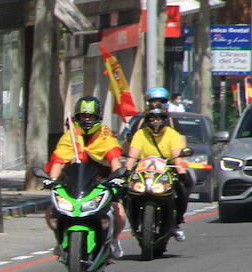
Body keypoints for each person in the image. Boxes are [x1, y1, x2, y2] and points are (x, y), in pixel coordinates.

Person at [45, 95, 127, 259]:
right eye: (83, 116)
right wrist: (51, 181)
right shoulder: (70, 136)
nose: (87, 120)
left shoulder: (105, 135)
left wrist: (118, 177)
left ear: (98, 118)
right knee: (51, 212)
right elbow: (59, 161)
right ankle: (60, 239)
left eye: (91, 116)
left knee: (119, 212)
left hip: (101, 183)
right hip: (74, 184)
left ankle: (114, 240)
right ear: (77, 117)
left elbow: (115, 161)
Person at [126, 105, 190, 240]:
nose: (156, 122)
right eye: (152, 119)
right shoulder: (140, 134)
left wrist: (181, 172)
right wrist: (125, 172)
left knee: (183, 188)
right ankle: (134, 221)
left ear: (165, 119)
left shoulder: (172, 134)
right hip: (143, 173)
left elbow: (176, 156)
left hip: (166, 172)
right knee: (126, 192)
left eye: (159, 119)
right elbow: (133, 155)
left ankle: (177, 222)